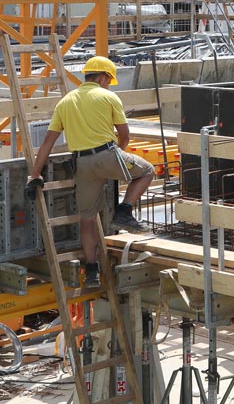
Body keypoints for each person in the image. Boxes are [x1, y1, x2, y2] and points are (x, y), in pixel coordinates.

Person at [26, 56, 154, 287]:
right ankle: (124, 212)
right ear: (103, 78)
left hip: (81, 164)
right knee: (147, 171)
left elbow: (47, 142)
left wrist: (34, 175)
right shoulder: (108, 96)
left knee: (87, 219)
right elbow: (124, 135)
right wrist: (116, 158)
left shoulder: (65, 102)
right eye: (108, 80)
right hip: (107, 154)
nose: (108, 84)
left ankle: (92, 272)